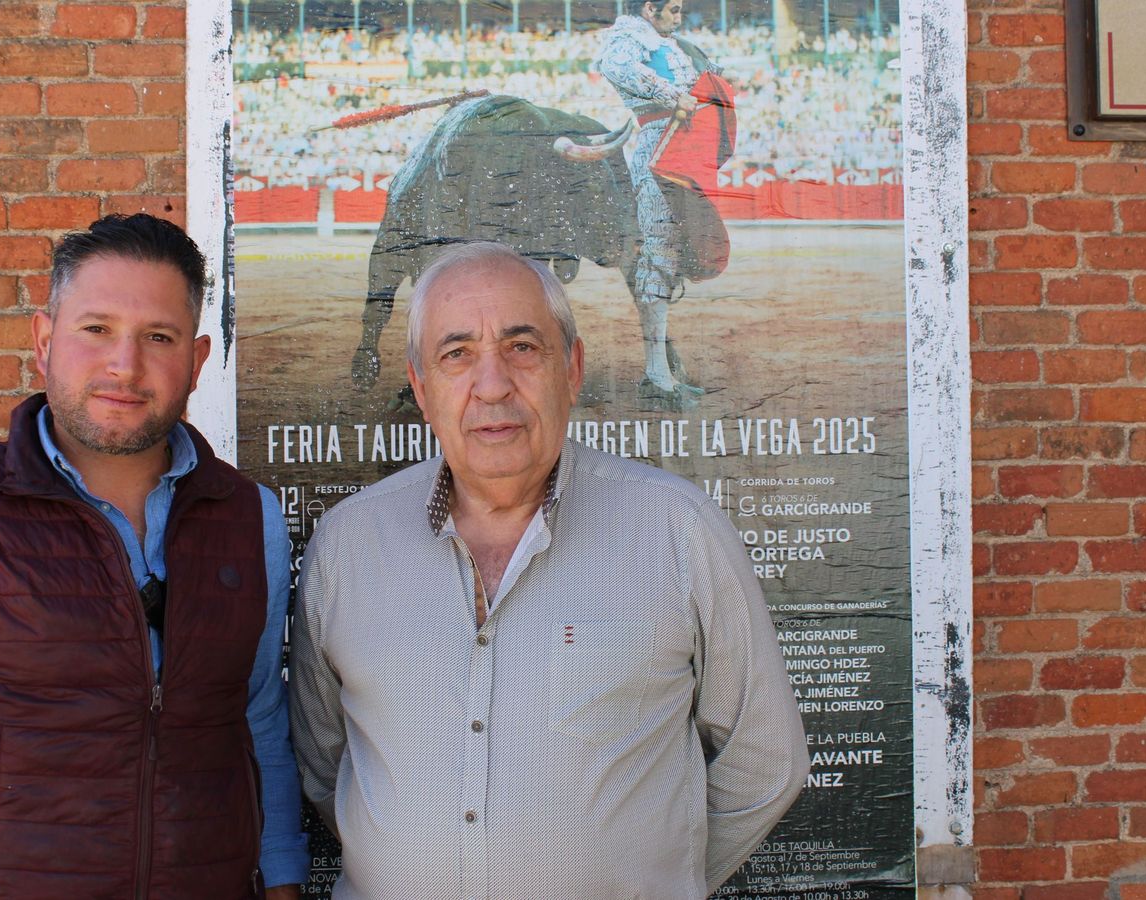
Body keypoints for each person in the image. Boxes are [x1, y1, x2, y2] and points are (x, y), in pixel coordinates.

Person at [289, 241, 808, 898]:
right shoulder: (346, 546)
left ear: (573, 367)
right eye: (457, 355)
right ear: (421, 389)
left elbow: (765, 762)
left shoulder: (678, 530)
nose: (493, 384)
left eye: (522, 347)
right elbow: (326, 763)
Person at [0, 214, 309, 899]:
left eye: (158, 338)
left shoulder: (247, 518)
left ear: (196, 362)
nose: (125, 365)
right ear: (44, 341)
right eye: (96, 329)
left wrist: (283, 879)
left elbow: (259, 721)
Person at [596, 0, 721, 409]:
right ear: (649, 8)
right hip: (658, 150)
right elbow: (614, 66)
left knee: (670, 255)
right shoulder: (630, 36)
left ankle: (660, 373)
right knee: (660, 255)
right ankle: (656, 376)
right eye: (673, 8)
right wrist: (672, 96)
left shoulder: (665, 41)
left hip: (682, 149)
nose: (679, 15)